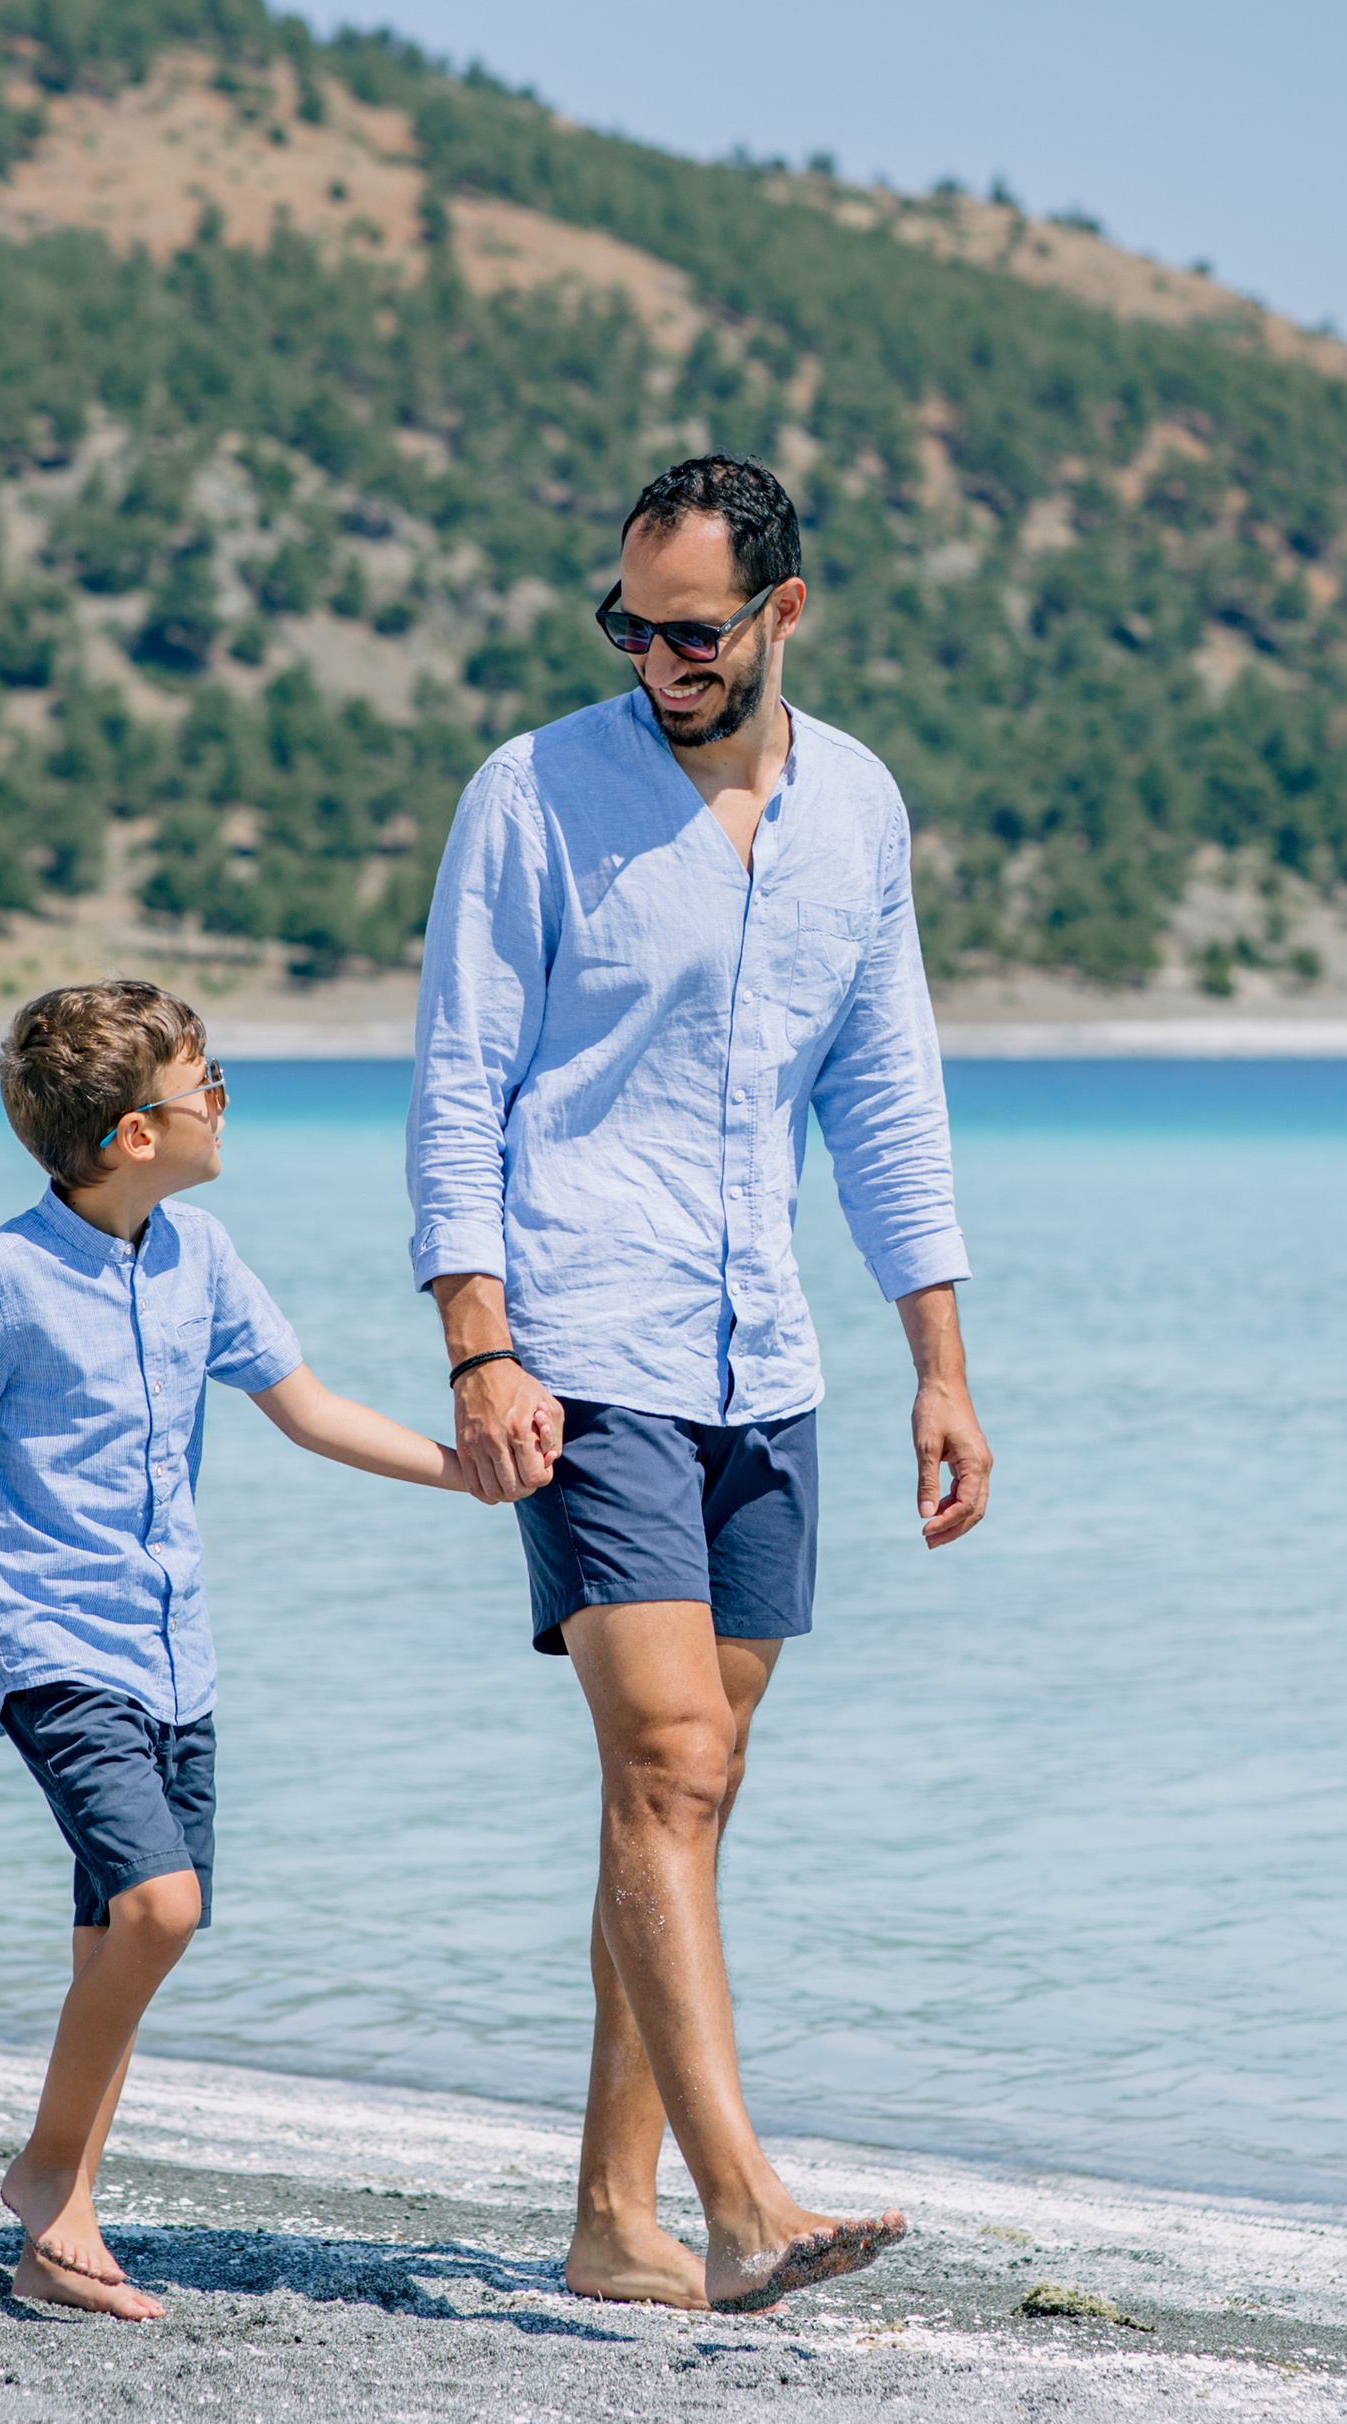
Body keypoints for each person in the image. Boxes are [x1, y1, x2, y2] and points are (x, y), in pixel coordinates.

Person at [408, 453, 994, 2315]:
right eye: (632, 627)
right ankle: (742, 2204)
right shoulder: (534, 794)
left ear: (781, 614)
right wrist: (480, 1344)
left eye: (695, 630)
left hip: (768, 1359)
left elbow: (887, 1096)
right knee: (666, 1759)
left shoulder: (860, 813)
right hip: (583, 1342)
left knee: (690, 1791)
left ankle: (608, 2219)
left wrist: (940, 1369)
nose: (661, 658)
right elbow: (457, 1087)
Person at [0, 981, 472, 2322]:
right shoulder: (4, 1280)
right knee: (163, 1908)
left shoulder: (201, 1256)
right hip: (50, 1646)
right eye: (208, 1081)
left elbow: (309, 1409)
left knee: (116, 1939)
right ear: (135, 1133)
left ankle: (58, 2232)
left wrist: (471, 1476)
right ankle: (44, 2172)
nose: (224, 1100)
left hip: (173, 1657)